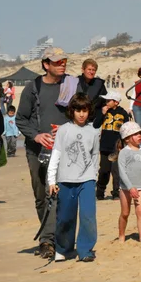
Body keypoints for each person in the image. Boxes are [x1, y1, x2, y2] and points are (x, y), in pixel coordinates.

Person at [16, 48, 71, 259]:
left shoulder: (71, 85)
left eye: (64, 61)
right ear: (46, 64)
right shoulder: (33, 88)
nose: (62, 64)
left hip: (63, 149)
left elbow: (83, 111)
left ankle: (48, 240)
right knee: (41, 197)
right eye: (57, 62)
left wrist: (67, 129)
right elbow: (21, 119)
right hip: (37, 150)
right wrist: (37, 136)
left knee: (54, 194)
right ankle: (49, 232)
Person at [46, 93, 99, 262]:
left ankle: (85, 250)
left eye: (85, 110)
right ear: (72, 111)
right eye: (78, 110)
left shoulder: (94, 131)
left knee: (88, 216)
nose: (82, 114)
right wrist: (51, 180)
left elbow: (95, 155)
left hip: (87, 180)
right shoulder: (63, 130)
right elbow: (56, 154)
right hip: (65, 180)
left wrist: (94, 176)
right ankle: (64, 248)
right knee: (65, 217)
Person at [92, 91, 130, 200]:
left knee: (116, 171)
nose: (106, 102)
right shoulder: (103, 111)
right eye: (106, 100)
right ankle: (100, 191)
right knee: (104, 170)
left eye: (109, 100)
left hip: (118, 148)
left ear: (116, 102)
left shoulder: (123, 113)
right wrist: (102, 114)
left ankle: (116, 193)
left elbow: (127, 129)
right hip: (104, 146)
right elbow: (95, 125)